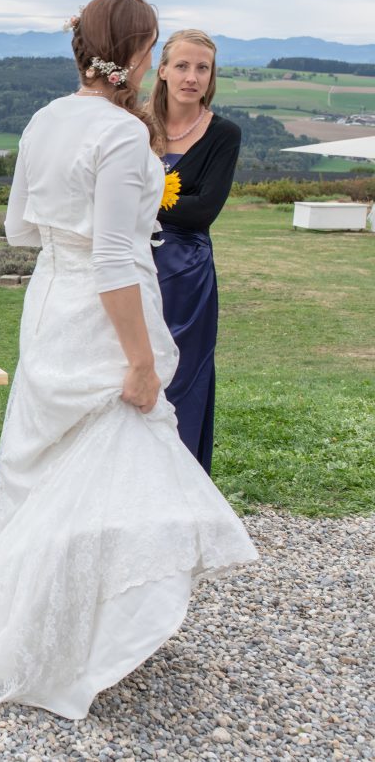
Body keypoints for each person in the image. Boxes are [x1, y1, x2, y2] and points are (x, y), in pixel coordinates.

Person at [0, 0, 257, 719]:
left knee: (40, 468)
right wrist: (141, 361)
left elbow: (19, 229)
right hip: (101, 317)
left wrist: (69, 240)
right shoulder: (124, 135)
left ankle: (35, 618)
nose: (156, 61)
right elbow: (116, 260)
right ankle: (75, 635)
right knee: (114, 463)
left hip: (50, 304)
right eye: (153, 48)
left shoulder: (45, 119)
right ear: (136, 54)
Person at [148, 29, 241, 473]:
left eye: (202, 68)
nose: (192, 77)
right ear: (163, 70)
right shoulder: (135, 125)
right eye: (182, 66)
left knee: (181, 376)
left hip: (185, 274)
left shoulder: (223, 134)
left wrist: (136, 198)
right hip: (128, 262)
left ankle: (180, 480)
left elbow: (203, 210)